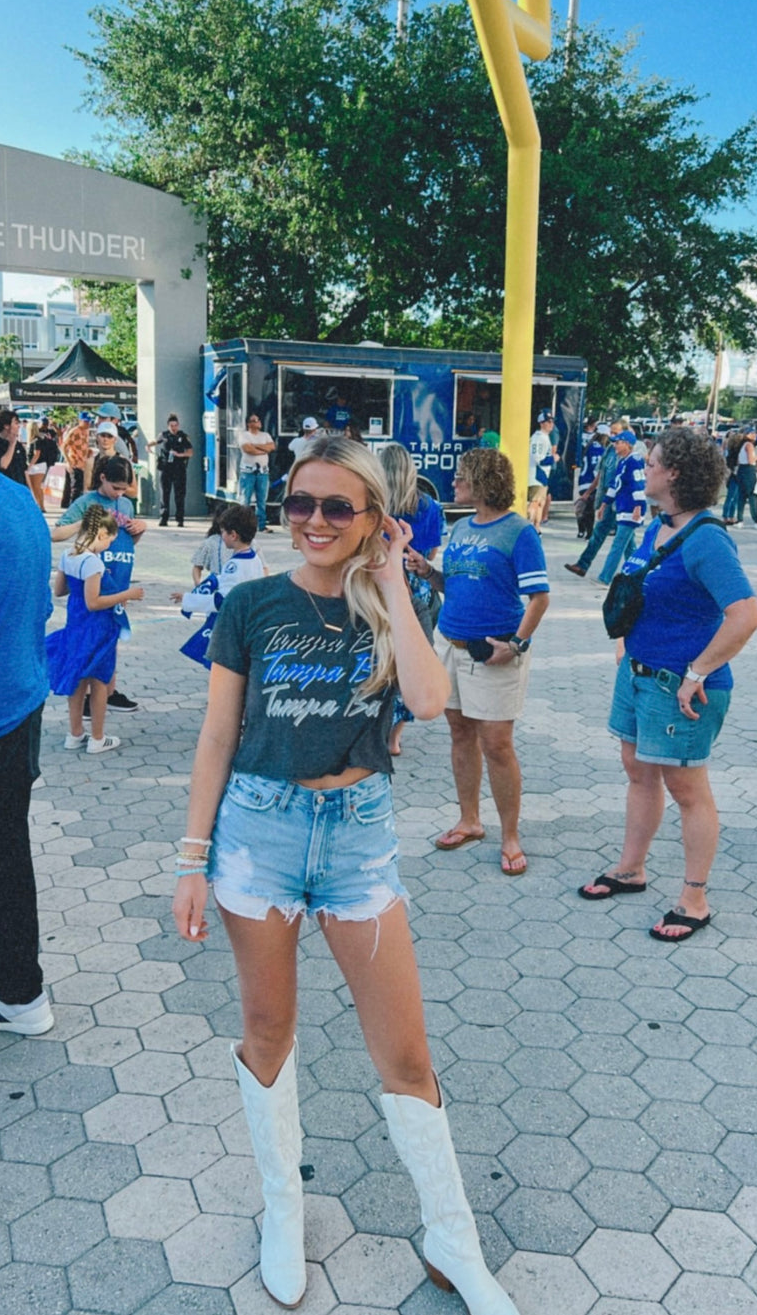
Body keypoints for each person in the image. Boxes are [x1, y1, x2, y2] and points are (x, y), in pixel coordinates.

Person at [171, 436, 519, 1315]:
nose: (313, 522)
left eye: (336, 506)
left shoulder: (394, 602)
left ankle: (454, 1240)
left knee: (404, 1051)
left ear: (372, 518)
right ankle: (283, 1207)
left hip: (359, 837)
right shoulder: (250, 605)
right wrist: (189, 857)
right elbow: (217, 736)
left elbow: (435, 702)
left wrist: (395, 577)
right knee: (267, 1028)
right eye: (299, 503)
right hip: (259, 833)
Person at [578, 427, 757, 940]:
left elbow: (745, 616)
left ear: (674, 473)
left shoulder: (706, 538)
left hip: (680, 689)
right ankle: (631, 869)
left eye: (652, 461)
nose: (644, 468)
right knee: (638, 772)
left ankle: (694, 899)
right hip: (638, 677)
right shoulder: (657, 528)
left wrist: (697, 671)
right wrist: (626, 645)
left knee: (687, 789)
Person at [408, 448, 549, 876]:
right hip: (449, 643)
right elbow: (456, 585)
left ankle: (510, 835)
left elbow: (539, 598)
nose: (453, 483)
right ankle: (470, 820)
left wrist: (517, 645)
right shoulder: (462, 525)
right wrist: (427, 571)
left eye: (461, 477)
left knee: (497, 745)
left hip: (493, 653)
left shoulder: (519, 532)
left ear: (483, 481)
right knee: (459, 732)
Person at [0, 469, 55, 1037]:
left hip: (3, 706)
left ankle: (17, 991)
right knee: (6, 850)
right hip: (20, 697)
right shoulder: (16, 498)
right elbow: (39, 609)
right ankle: (17, 990)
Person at [47, 505, 145, 755]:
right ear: (101, 534)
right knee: (100, 682)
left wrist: (80, 585)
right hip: (98, 629)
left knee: (78, 679)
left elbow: (59, 590)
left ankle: (75, 732)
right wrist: (127, 594)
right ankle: (98, 738)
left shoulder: (68, 555)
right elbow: (95, 602)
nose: (108, 546)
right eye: (109, 541)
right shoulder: (93, 563)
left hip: (75, 625)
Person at [52, 457, 146, 715]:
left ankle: (108, 692)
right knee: (90, 642)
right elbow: (56, 533)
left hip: (116, 580)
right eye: (115, 487)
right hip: (93, 580)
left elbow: (124, 542)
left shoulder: (125, 504)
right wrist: (83, 524)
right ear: (102, 478)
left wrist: (140, 529)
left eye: (124, 489)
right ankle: (87, 696)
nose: (119, 494)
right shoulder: (86, 502)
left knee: (110, 639)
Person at [378, 442, 446, 756]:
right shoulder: (430, 506)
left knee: (379, 659)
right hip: (418, 586)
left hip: (379, 586)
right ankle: (395, 737)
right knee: (411, 659)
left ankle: (373, 724)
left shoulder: (374, 506)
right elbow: (431, 552)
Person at [173, 505, 266, 667]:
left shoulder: (235, 565)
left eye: (223, 532)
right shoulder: (254, 559)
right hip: (250, 624)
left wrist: (188, 599)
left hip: (234, 629)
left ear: (233, 535)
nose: (221, 536)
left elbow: (221, 600)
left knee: (224, 668)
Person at [565, 420, 625, 577]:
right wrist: (588, 493)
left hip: (621, 502)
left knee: (623, 540)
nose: (612, 436)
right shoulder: (610, 450)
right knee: (602, 534)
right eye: (611, 432)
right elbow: (601, 474)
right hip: (608, 498)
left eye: (616, 433)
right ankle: (583, 565)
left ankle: (611, 574)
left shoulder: (630, 456)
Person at [596, 429, 647, 586]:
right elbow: (614, 485)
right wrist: (604, 504)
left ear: (627, 444)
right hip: (623, 508)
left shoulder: (634, 461)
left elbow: (638, 484)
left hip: (631, 510)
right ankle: (638, 574)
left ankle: (605, 577)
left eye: (617, 443)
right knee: (629, 547)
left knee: (618, 545)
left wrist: (638, 506)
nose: (615, 446)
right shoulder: (623, 462)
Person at [148, 414, 194, 527]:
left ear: (178, 425)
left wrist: (180, 454)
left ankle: (180, 519)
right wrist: (149, 447)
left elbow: (190, 452)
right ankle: (164, 518)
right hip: (165, 468)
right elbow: (153, 442)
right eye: (171, 425)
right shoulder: (163, 435)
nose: (173, 428)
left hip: (179, 468)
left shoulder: (183, 436)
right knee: (164, 494)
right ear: (168, 426)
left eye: (175, 425)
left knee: (179, 494)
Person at [237, 413, 275, 531]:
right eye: (254, 420)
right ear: (249, 424)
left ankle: (261, 525)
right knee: (245, 499)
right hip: (248, 471)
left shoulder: (265, 435)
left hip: (263, 471)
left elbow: (272, 447)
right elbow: (248, 449)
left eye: (258, 420)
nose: (258, 422)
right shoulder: (244, 435)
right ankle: (243, 526)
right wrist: (262, 450)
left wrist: (255, 446)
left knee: (262, 499)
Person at [526, 409, 558, 531]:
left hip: (541, 475)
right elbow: (538, 459)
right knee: (535, 502)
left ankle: (536, 527)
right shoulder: (539, 438)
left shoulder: (543, 437)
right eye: (548, 422)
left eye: (552, 422)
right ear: (542, 423)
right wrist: (553, 458)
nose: (551, 424)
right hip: (537, 475)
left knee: (540, 503)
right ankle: (529, 524)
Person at [192, 504, 235, 585]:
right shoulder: (212, 542)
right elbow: (197, 566)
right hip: (218, 586)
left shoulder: (247, 541)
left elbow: (263, 567)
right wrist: (198, 586)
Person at [59, 414, 94, 506]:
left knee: (75, 487)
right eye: (85, 421)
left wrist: (88, 452)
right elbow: (63, 446)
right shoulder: (74, 431)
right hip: (75, 462)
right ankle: (72, 507)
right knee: (76, 488)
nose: (87, 423)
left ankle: (67, 505)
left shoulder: (86, 431)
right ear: (80, 421)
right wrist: (69, 461)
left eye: (88, 421)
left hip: (83, 463)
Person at [733, 428, 757, 530]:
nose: (754, 435)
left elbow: (738, 460)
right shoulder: (749, 445)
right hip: (749, 470)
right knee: (752, 495)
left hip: (741, 470)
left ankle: (740, 519)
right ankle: (756, 520)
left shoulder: (741, 445)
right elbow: (751, 460)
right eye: (752, 433)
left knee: (741, 496)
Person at [0, 410, 28, 485]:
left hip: (19, 489)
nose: (18, 426)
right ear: (6, 426)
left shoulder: (19, 446)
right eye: (16, 423)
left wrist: (29, 491)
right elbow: (3, 466)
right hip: (3, 489)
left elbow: (24, 471)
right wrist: (12, 445)